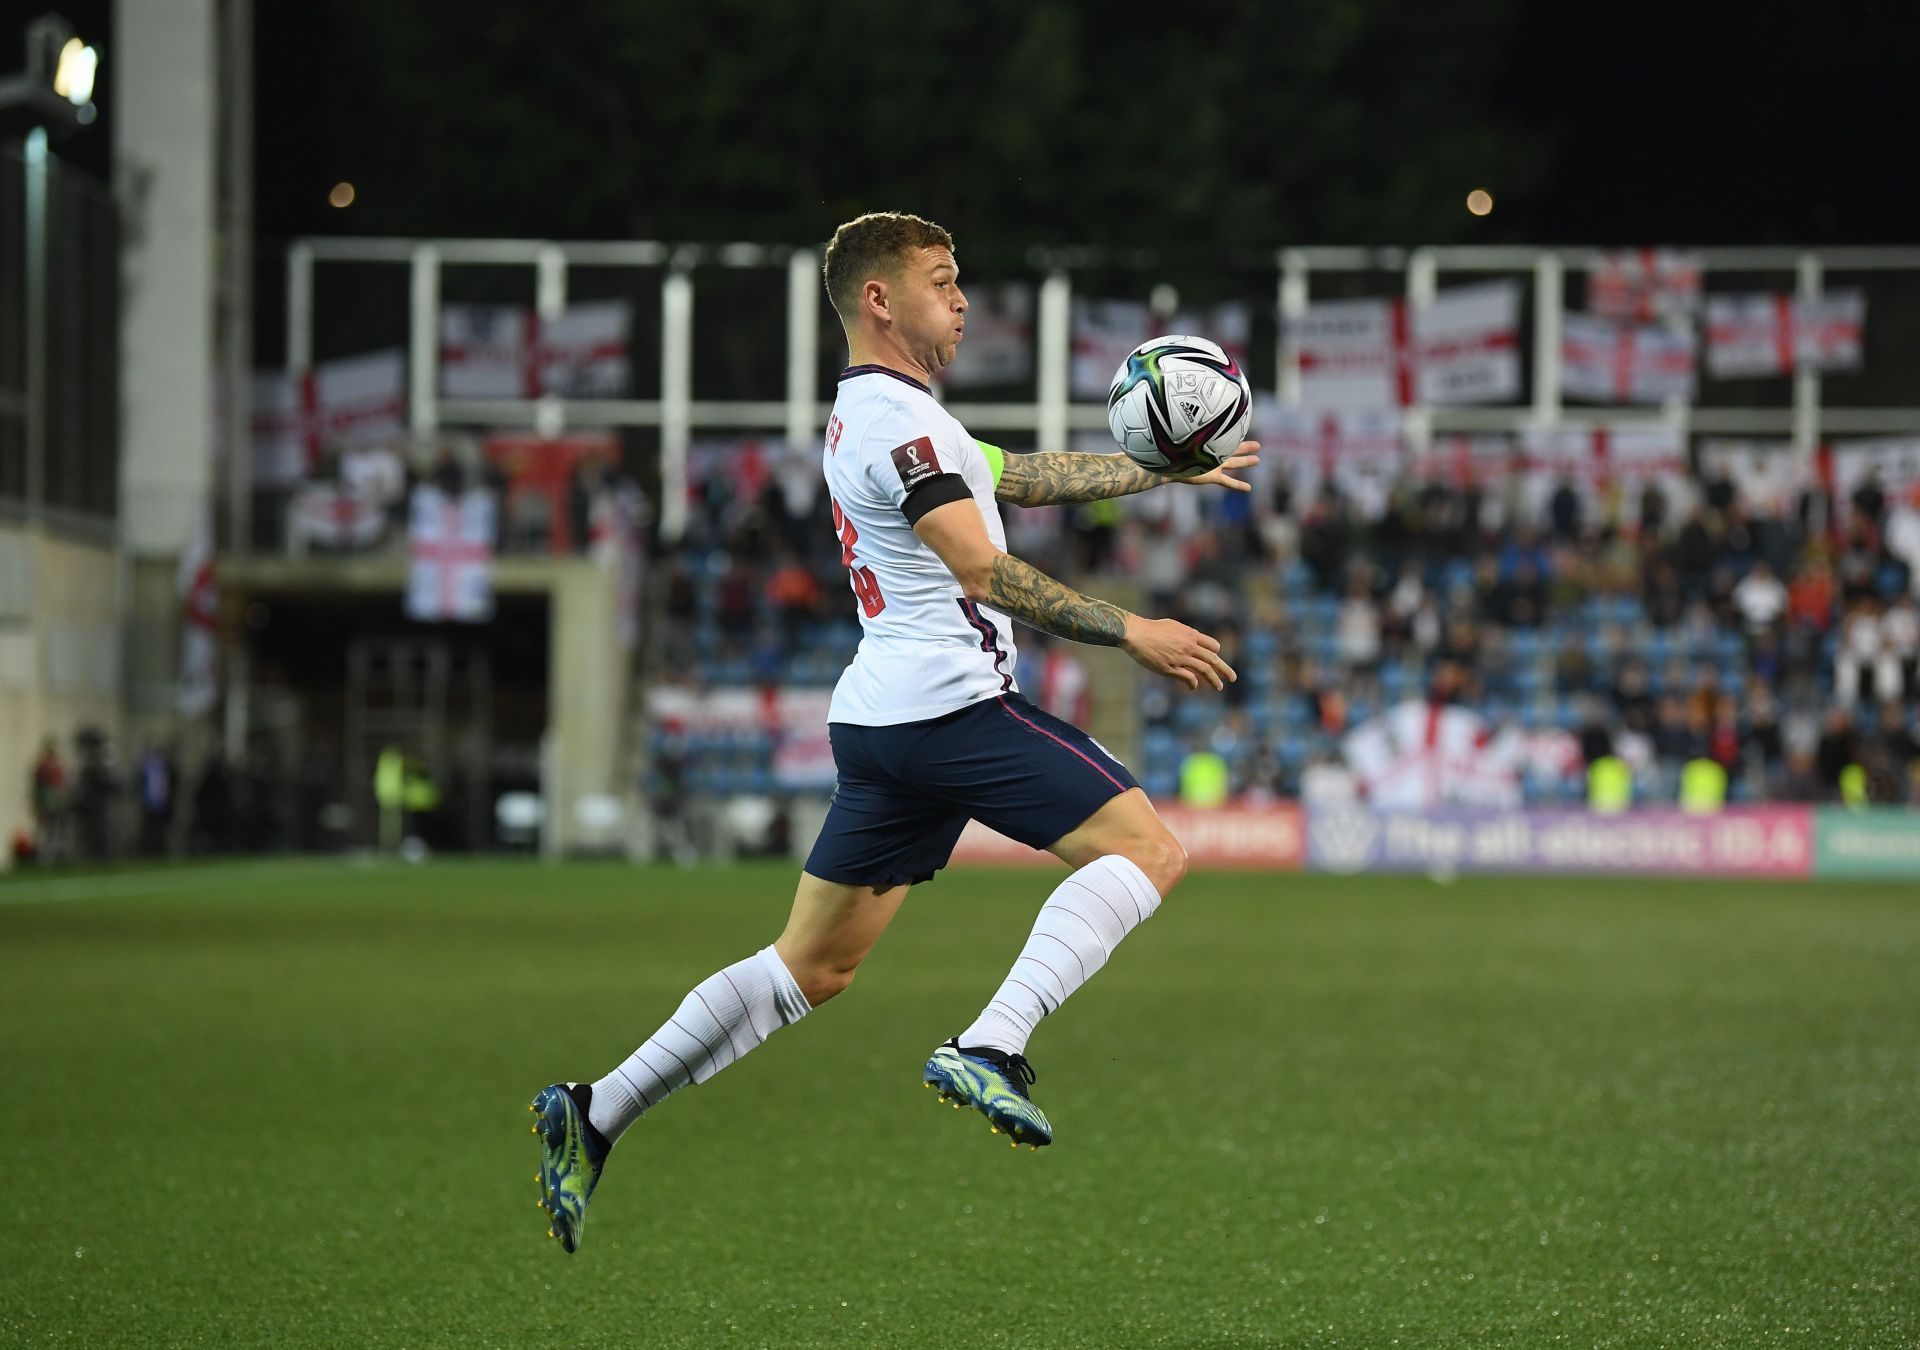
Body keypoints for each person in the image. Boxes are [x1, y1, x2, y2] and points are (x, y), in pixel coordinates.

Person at [529, 212, 1259, 1253]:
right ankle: (991, 1044)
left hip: (883, 722)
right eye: (944, 280)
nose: (963, 299)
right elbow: (977, 565)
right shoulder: (896, 426)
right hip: (948, 708)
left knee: (808, 970)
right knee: (1151, 850)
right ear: (880, 300)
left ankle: (594, 1112)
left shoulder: (900, 417)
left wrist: (1154, 471)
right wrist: (1130, 630)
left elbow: (1015, 477)